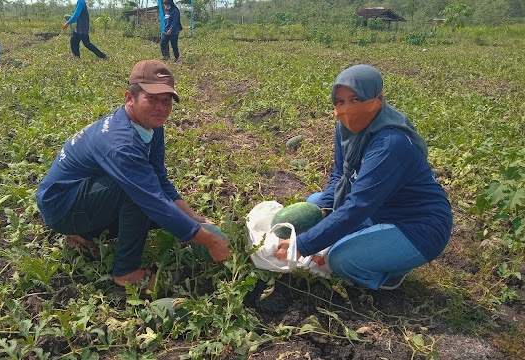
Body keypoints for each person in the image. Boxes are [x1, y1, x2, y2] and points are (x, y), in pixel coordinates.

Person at [36, 60, 230, 289]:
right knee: (139, 196)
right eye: (152, 99)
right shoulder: (121, 143)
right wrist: (210, 241)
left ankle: (86, 234)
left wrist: (193, 218)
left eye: (166, 101)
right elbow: (151, 199)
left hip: (85, 196)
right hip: (61, 206)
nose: (161, 107)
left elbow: (159, 178)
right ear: (130, 97)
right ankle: (126, 271)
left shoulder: (151, 126)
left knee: (157, 202)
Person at [275, 64, 452, 290]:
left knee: (342, 259)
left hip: (418, 226)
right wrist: (325, 210)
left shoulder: (389, 143)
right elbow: (340, 175)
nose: (347, 109)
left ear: (376, 98)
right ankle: (374, 246)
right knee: (314, 204)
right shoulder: (345, 129)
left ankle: (388, 273)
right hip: (379, 209)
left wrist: (302, 244)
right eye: (340, 102)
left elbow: (359, 204)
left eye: (355, 100)